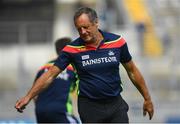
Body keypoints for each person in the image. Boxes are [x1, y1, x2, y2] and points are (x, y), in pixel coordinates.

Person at [15, 7, 154, 123]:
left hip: (116, 104)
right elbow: (51, 75)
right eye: (78, 29)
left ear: (96, 23)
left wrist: (147, 98)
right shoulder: (71, 49)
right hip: (89, 107)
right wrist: (28, 96)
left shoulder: (117, 42)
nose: (82, 32)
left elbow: (132, 71)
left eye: (86, 27)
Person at [33, 37, 79, 123]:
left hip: (41, 112)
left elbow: (35, 94)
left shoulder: (44, 67)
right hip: (60, 110)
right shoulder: (73, 67)